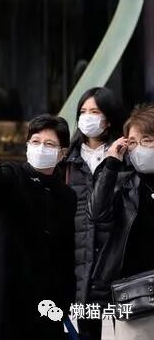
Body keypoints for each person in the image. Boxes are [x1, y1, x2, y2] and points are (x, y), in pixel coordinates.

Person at [0, 114, 76, 340]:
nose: (41, 148)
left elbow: (66, 251)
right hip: (3, 289)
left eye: (49, 144)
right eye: (35, 141)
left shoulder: (67, 196)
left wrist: (65, 300)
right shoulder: (13, 175)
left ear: (62, 153)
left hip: (44, 298)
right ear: (27, 145)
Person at [63, 87, 124, 340]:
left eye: (95, 111)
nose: (87, 117)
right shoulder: (67, 160)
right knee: (87, 331)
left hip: (117, 258)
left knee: (128, 329)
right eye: (83, 111)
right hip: (81, 258)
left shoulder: (125, 155)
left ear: (108, 119)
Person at [88, 104, 154, 339]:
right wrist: (111, 162)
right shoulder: (122, 183)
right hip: (135, 297)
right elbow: (96, 213)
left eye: (147, 140)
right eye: (133, 142)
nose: (139, 148)